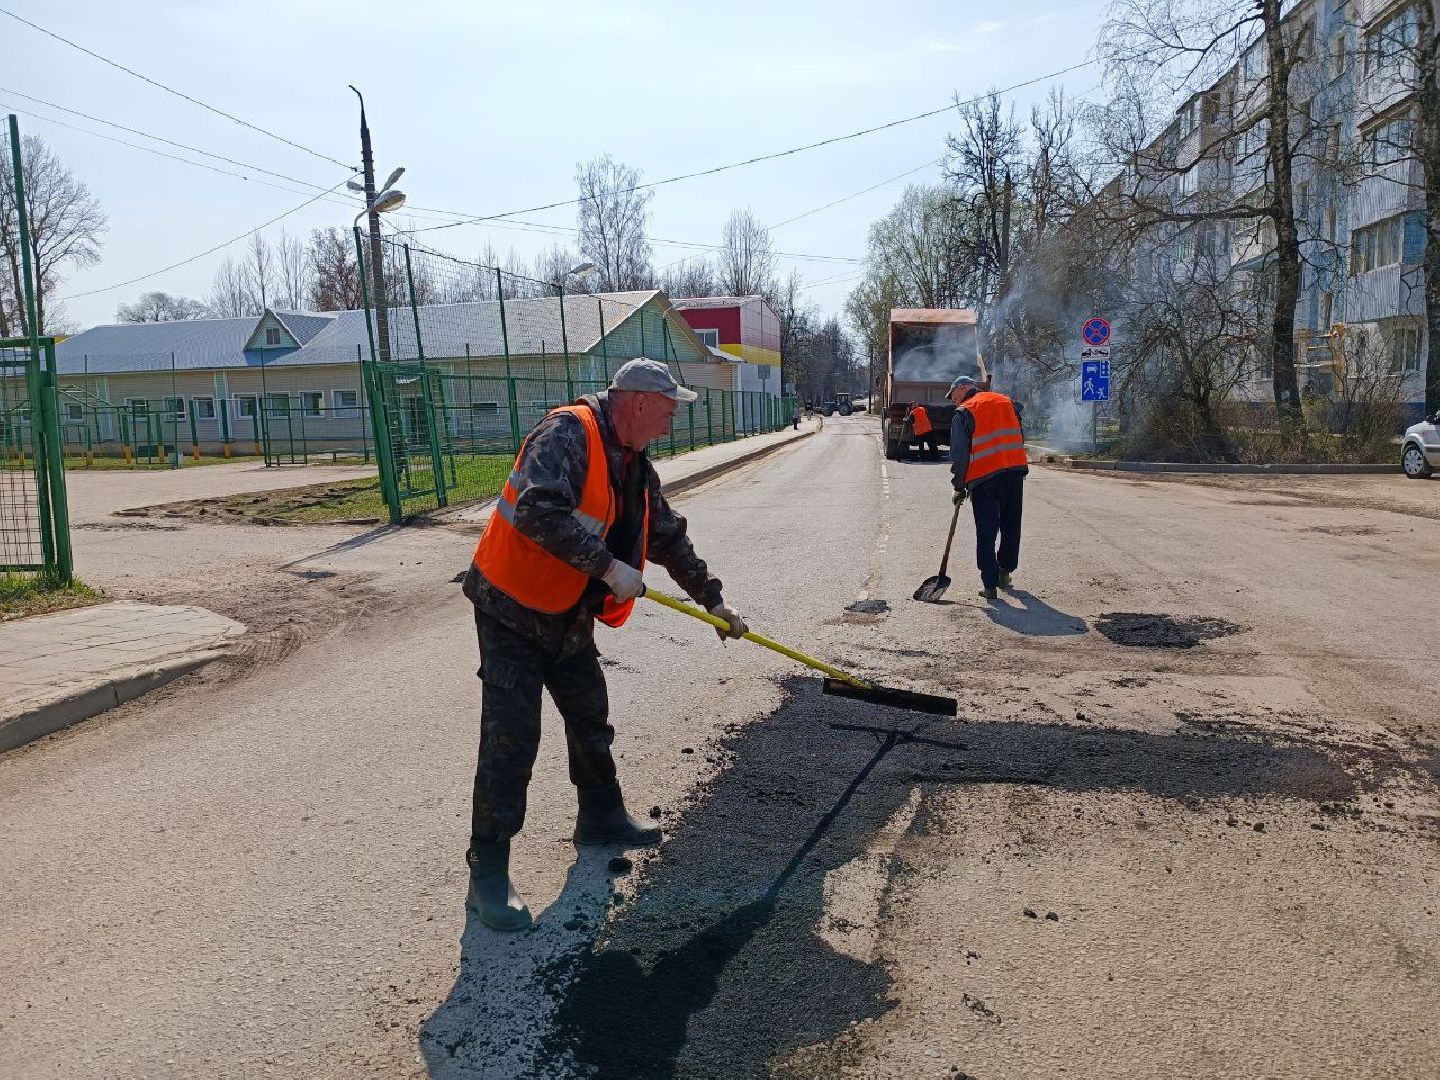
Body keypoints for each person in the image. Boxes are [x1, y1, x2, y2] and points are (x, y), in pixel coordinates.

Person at [460, 358, 748, 930]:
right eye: (666, 412)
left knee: (590, 714)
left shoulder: (635, 463)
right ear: (638, 403)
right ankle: (487, 872)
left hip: (565, 611)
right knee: (511, 741)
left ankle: (600, 814)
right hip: (511, 610)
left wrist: (711, 599)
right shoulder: (566, 434)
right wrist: (609, 566)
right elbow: (538, 512)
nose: (669, 425)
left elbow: (665, 532)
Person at [947, 375, 1028, 600]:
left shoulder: (965, 411)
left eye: (953, 394)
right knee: (1011, 524)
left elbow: (960, 456)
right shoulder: (1007, 402)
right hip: (1014, 472)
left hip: (984, 479)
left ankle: (990, 585)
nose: (954, 400)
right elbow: (1019, 435)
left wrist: (959, 486)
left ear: (963, 388)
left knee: (987, 530)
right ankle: (1005, 572)